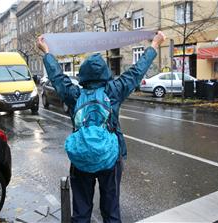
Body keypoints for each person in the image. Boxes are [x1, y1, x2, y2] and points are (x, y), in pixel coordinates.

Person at [37, 31, 166, 223]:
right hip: (111, 159)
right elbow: (137, 71)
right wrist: (155, 44)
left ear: (83, 75)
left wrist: (46, 51)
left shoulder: (74, 94)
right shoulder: (114, 91)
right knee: (111, 209)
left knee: (81, 212)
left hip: (81, 158)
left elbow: (57, 77)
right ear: (105, 73)